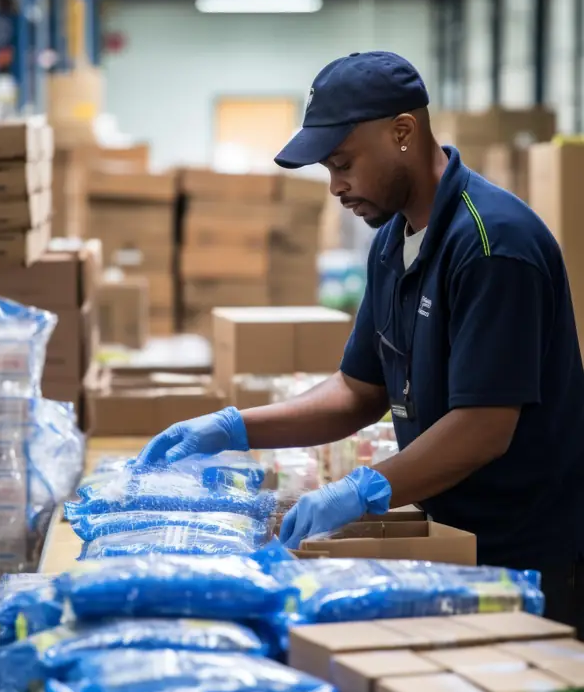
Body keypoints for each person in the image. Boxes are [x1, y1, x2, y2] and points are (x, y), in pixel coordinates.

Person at [139, 50, 584, 632]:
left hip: (529, 552)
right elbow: (358, 391)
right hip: (449, 530)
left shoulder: (491, 245)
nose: (335, 187)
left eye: (343, 163)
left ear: (402, 132)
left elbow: (483, 429)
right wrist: (235, 427)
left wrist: (363, 488)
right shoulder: (392, 241)